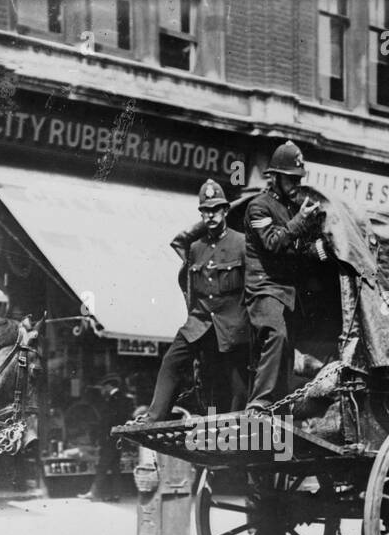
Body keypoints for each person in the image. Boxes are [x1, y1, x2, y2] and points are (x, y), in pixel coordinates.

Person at [140, 180, 250, 420]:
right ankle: (155, 415)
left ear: (225, 211)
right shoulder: (195, 249)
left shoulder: (241, 244)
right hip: (200, 323)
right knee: (172, 360)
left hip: (233, 327)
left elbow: (252, 289)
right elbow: (191, 291)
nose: (210, 215)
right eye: (205, 211)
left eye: (215, 210)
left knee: (236, 384)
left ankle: (235, 429)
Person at [242, 140, 330, 410]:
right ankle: (259, 403)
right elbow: (272, 242)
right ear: (276, 177)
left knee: (287, 351)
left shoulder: (293, 209)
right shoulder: (259, 206)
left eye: (297, 179)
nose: (294, 184)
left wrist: (322, 249)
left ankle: (277, 406)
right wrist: (300, 222)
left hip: (287, 294)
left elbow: (299, 249)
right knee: (277, 336)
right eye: (290, 179)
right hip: (264, 289)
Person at [85, 373, 135, 501]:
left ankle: (94, 493)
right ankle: (116, 494)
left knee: (102, 465)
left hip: (110, 438)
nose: (102, 390)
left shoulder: (114, 399)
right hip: (118, 438)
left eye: (103, 387)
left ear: (108, 386)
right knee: (115, 467)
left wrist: (103, 437)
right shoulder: (123, 398)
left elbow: (109, 421)